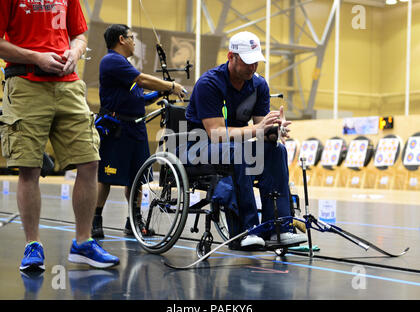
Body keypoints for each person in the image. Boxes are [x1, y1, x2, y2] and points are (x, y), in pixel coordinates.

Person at [0, 0, 119, 271]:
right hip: (26, 83)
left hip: (69, 85)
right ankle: (33, 245)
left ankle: (82, 243)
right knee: (29, 167)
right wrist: (35, 56)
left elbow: (79, 34)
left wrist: (75, 53)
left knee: (89, 160)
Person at [185, 31, 307, 249]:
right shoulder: (209, 83)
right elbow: (215, 133)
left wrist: (275, 130)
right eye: (248, 62)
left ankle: (278, 228)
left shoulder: (259, 85)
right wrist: (257, 129)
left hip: (236, 147)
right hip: (199, 146)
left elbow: (262, 128)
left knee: (276, 150)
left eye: (256, 62)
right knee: (239, 151)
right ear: (231, 57)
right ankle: (247, 230)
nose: (253, 68)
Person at [91, 24, 186, 238]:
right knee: (105, 176)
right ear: (121, 39)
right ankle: (95, 219)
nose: (134, 42)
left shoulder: (123, 65)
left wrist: (160, 93)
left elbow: (139, 98)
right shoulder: (112, 61)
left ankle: (133, 221)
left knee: (138, 177)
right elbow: (141, 79)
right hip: (117, 128)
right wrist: (170, 86)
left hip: (136, 129)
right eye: (131, 38)